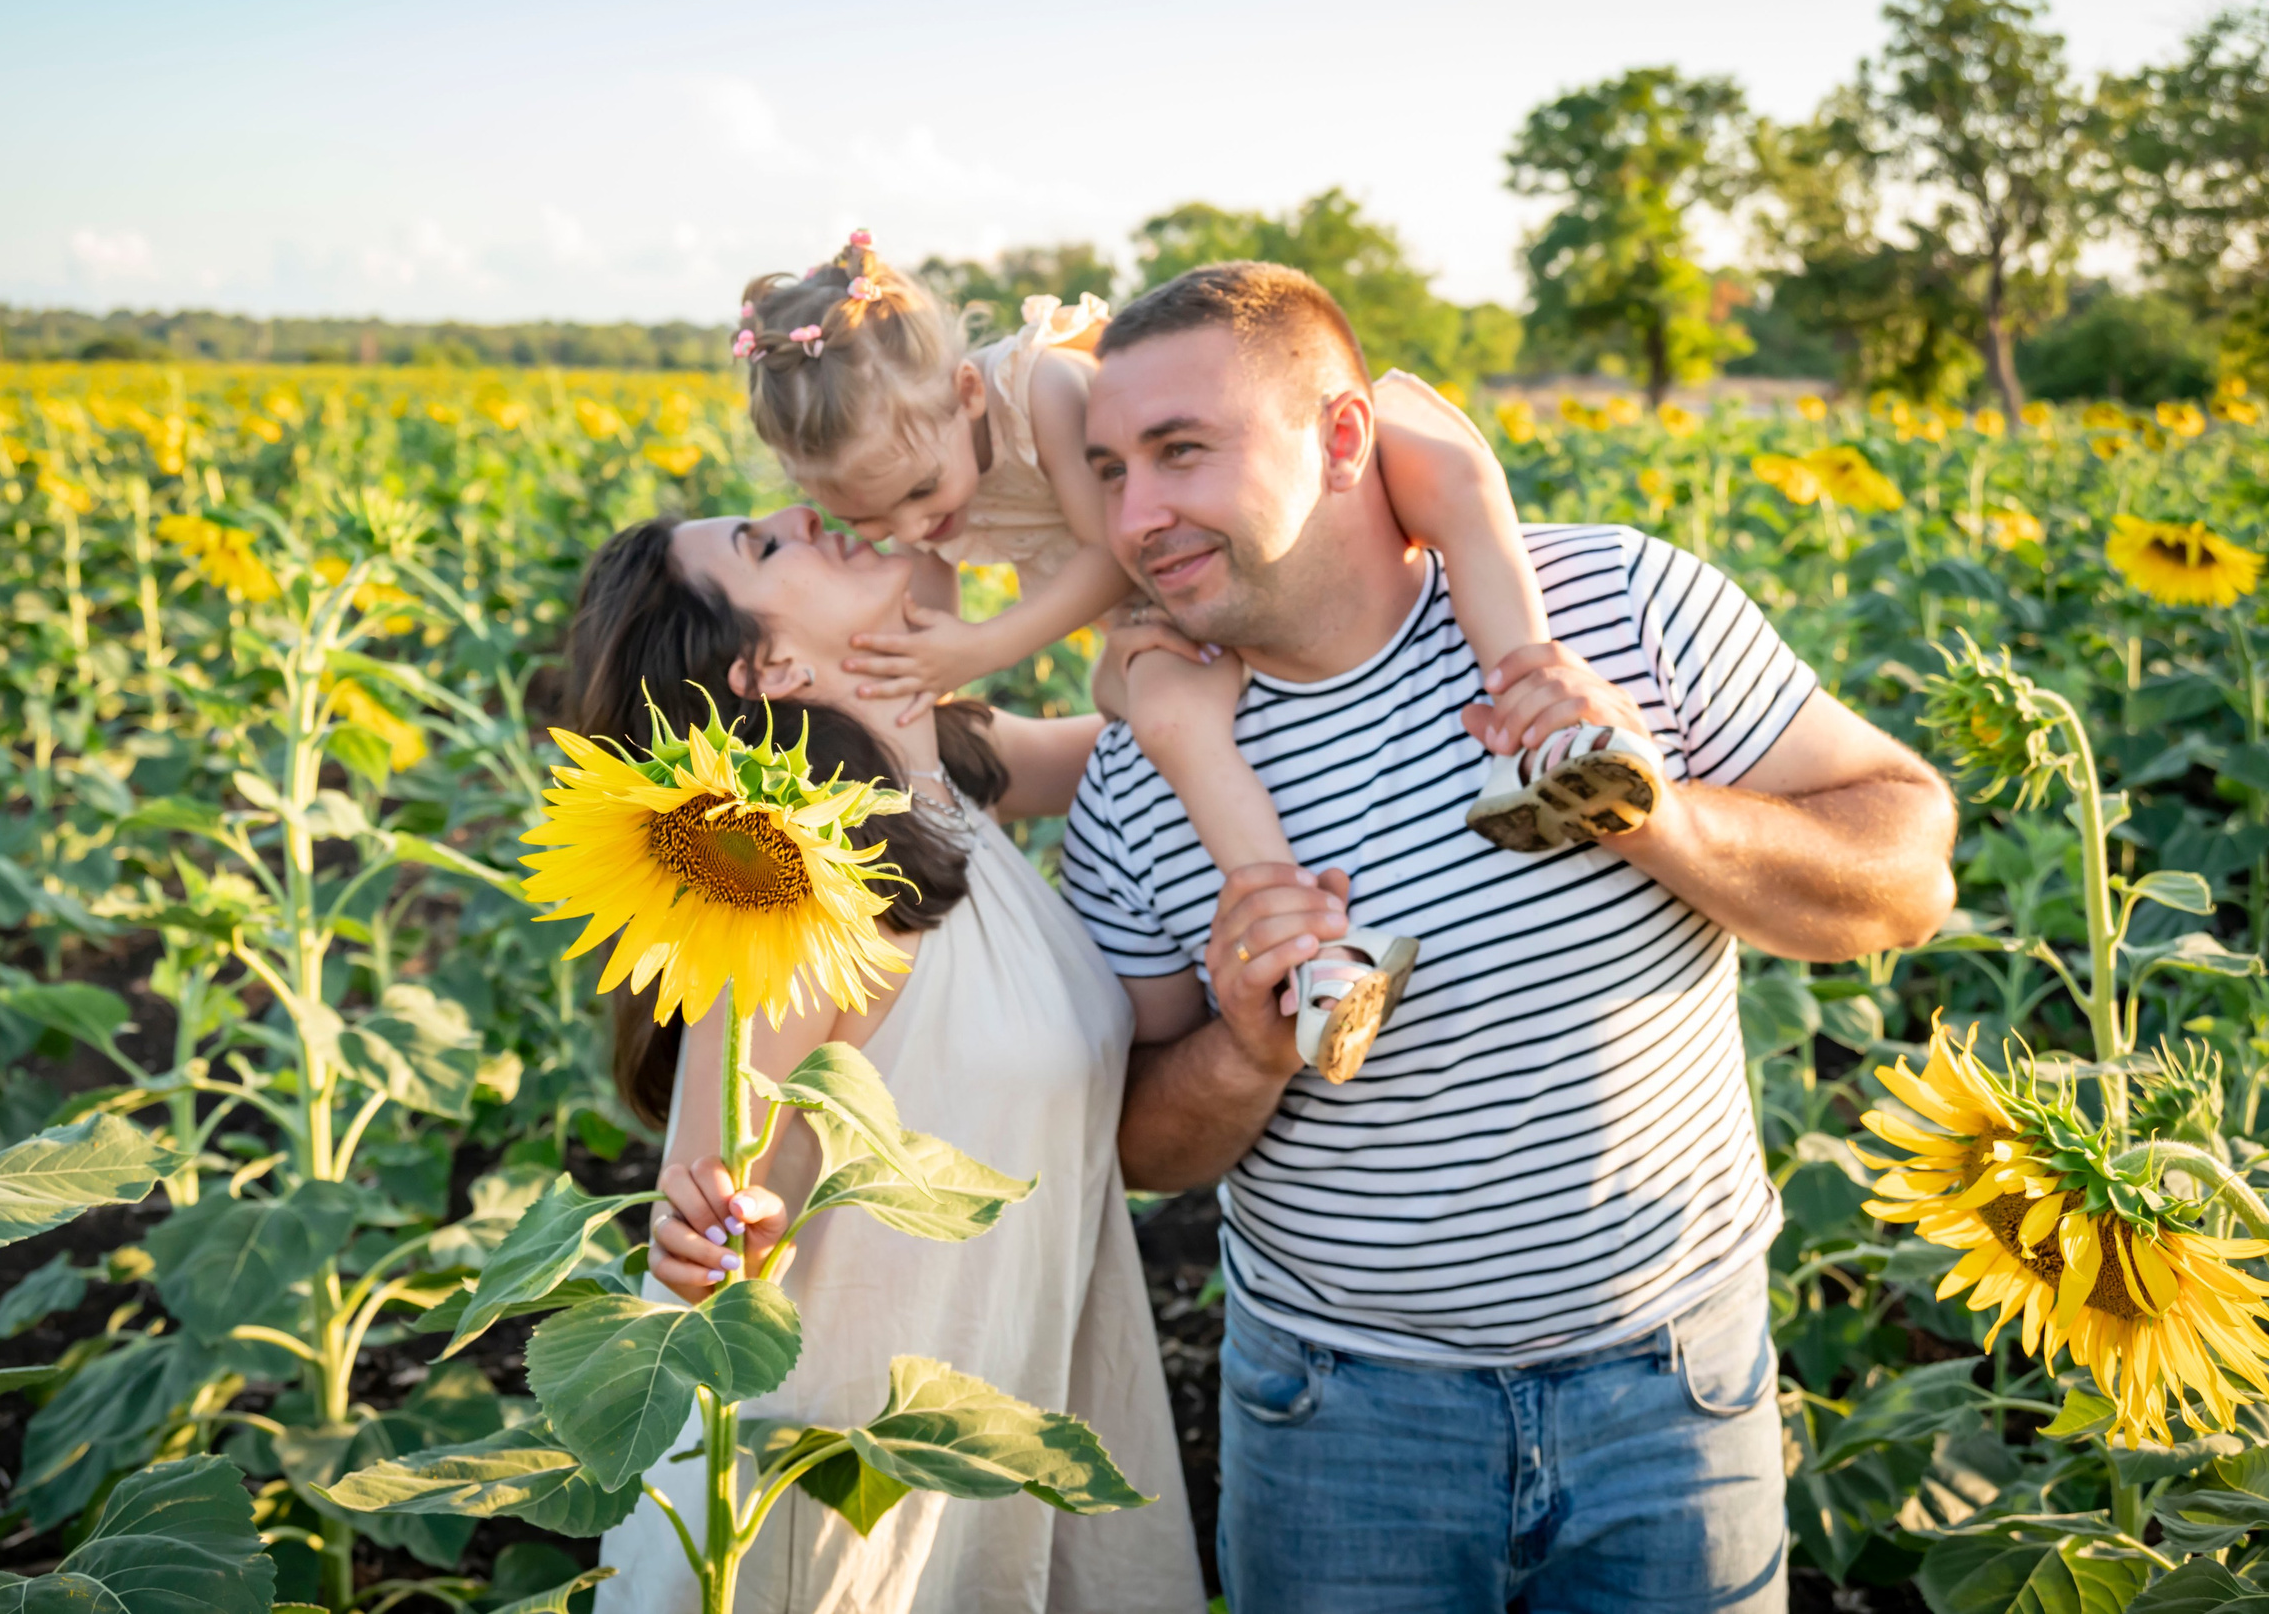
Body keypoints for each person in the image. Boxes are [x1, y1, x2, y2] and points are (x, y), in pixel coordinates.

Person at [1062, 262, 1960, 1613]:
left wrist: (1655, 816)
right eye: (1110, 469)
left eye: (1182, 452)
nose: (1136, 515)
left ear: (1346, 436)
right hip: (1341, 1418)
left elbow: (1910, 867)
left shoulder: (1620, 605)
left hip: (1673, 1386)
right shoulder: (1143, 774)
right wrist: (1247, 1051)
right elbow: (1136, 1144)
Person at [729, 231, 1634, 1083]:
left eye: (922, 494)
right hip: (1165, 617)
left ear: (966, 392)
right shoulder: (919, 501)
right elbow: (927, 644)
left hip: (1179, 566)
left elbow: (1106, 549)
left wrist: (981, 645)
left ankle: (1542, 721)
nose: (914, 531)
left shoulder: (1034, 389)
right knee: (1169, 723)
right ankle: (1313, 953)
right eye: (872, 521)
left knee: (1454, 477)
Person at [569, 506, 1208, 1614]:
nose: (798, 512)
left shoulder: (951, 768)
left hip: (997, 1399)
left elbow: (1166, 737)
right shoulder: (797, 886)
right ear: (768, 663)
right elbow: (716, 1199)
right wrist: (708, 1231)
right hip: (854, 1471)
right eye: (764, 546)